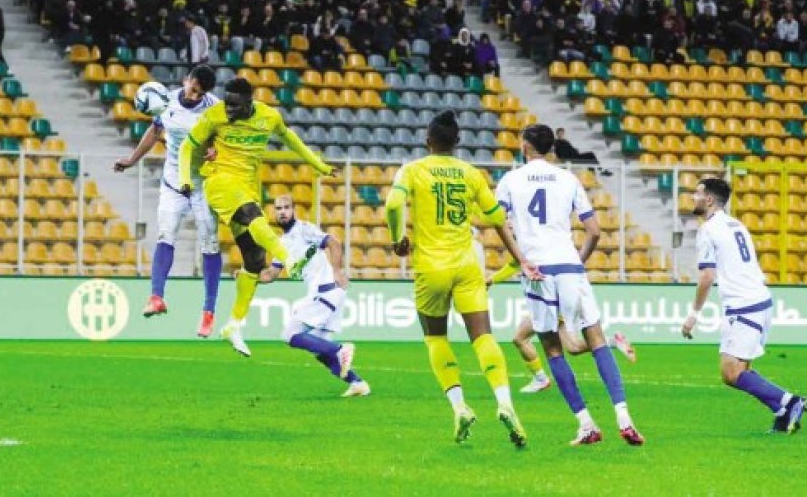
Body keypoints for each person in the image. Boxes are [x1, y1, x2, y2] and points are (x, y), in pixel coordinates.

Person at [384, 110, 538, 447]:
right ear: (457, 143)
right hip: (468, 264)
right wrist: (520, 258)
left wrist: (397, 239)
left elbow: (394, 204)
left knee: (436, 339)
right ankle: (505, 403)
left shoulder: (412, 170)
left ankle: (460, 407)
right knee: (483, 338)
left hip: (431, 267)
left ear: (427, 140)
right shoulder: (471, 173)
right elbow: (499, 220)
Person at [494, 124, 645, 446]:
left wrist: (521, 258)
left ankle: (587, 424)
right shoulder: (568, 178)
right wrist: (579, 261)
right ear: (551, 148)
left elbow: (499, 224)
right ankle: (624, 417)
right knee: (595, 339)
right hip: (569, 265)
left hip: (537, 268)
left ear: (524, 146)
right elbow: (594, 231)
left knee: (553, 348)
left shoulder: (510, 180)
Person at [178, 78, 334, 357]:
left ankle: (234, 325)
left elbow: (291, 139)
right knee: (252, 215)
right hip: (219, 182)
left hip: (248, 186)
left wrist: (318, 165)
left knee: (254, 260)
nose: (229, 110)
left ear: (250, 102)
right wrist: (185, 179)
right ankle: (289, 259)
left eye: (235, 105)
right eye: (226, 103)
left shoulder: (268, 116)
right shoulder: (214, 115)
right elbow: (187, 146)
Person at [682, 178, 807, 433]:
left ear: (709, 199)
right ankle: (783, 413)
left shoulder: (708, 230)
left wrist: (693, 314)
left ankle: (790, 401)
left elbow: (707, 276)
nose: (692, 198)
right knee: (742, 369)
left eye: (696, 194)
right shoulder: (736, 224)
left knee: (730, 373)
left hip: (743, 305)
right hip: (760, 300)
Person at [114, 66, 222, 337]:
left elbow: (225, 140)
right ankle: (156, 297)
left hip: (203, 183)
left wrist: (216, 149)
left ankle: (208, 312)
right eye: (193, 89)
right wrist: (132, 160)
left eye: (201, 93)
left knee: (209, 241)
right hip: (174, 181)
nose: (195, 96)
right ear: (186, 80)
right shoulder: (166, 102)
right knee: (166, 234)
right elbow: (154, 132)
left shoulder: (215, 109)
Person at [260, 195, 370, 398]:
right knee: (320, 351)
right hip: (329, 294)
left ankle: (340, 349)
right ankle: (357, 383)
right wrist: (248, 277)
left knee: (289, 334)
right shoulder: (280, 244)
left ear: (293, 210)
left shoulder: (304, 229)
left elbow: (334, 243)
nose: (282, 211)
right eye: (278, 208)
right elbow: (271, 274)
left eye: (286, 207)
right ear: (274, 212)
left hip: (325, 290)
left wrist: (337, 271)